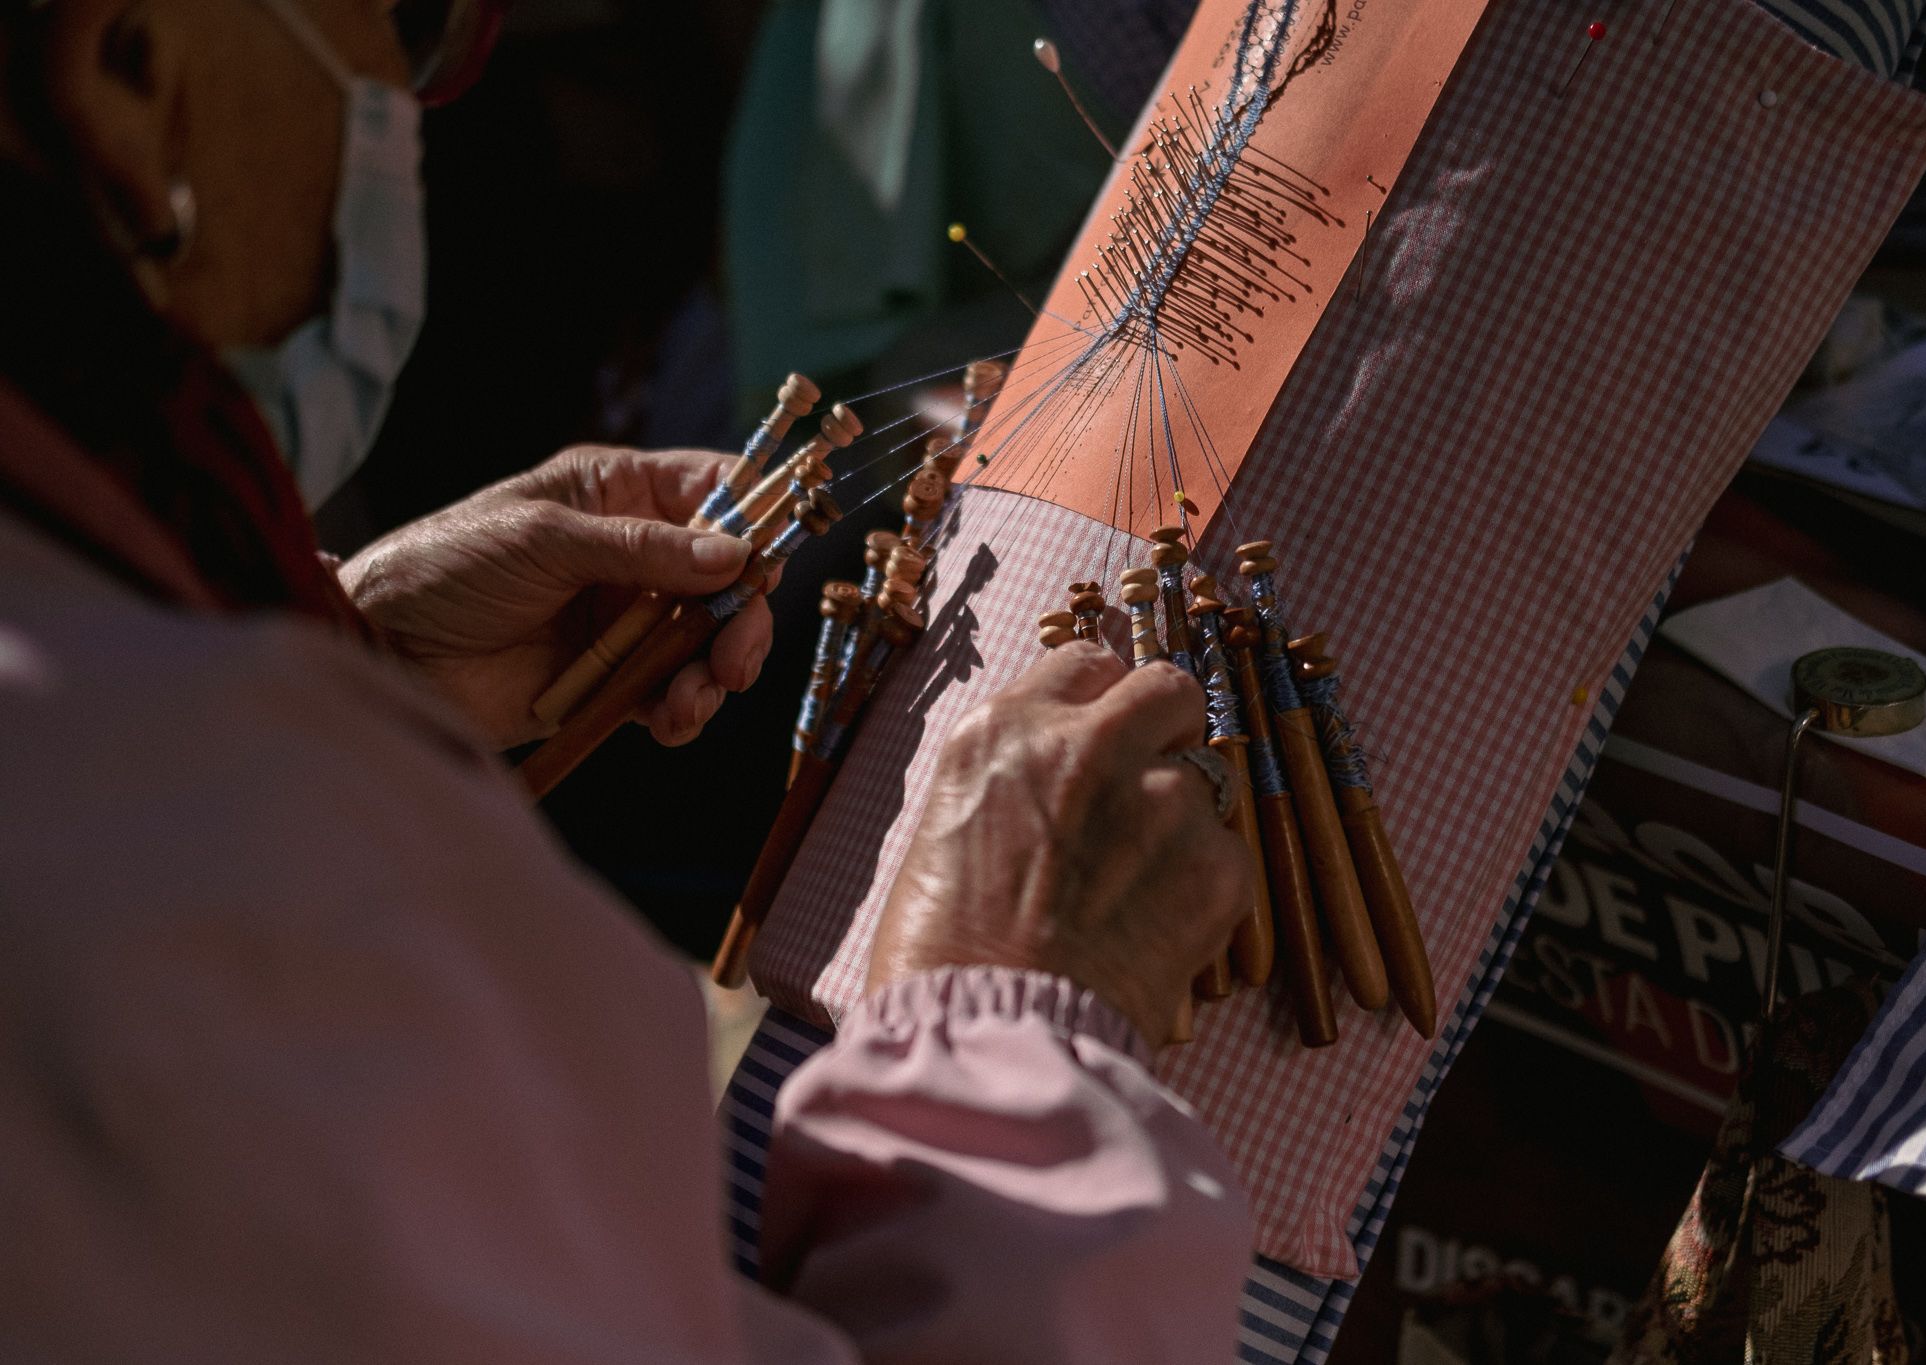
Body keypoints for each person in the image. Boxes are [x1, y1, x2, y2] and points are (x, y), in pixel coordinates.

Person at [0, 1, 1254, 1360]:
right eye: (413, 26)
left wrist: (337, 641)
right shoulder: (239, 891)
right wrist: (1024, 1054)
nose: (419, 105)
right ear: (126, 71)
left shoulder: (149, 765)